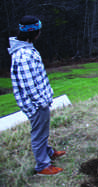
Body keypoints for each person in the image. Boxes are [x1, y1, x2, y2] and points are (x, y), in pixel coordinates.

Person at [8, 15, 66, 176]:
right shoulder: (24, 55)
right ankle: (43, 166)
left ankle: (48, 152)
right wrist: (42, 102)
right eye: (38, 30)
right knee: (39, 134)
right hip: (36, 104)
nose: (40, 33)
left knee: (42, 131)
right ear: (33, 32)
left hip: (40, 102)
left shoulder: (26, 49)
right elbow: (29, 86)